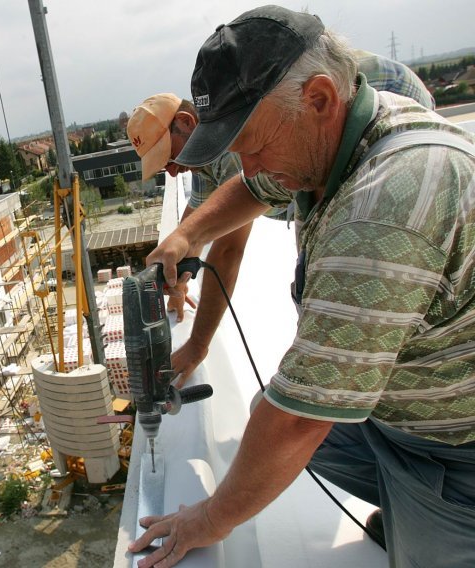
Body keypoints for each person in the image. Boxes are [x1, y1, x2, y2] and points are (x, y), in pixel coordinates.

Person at [129, 6, 475, 568]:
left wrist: (210, 518)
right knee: (266, 434)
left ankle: (427, 515)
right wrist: (187, 234)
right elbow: (253, 187)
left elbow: (298, 422)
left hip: (453, 447)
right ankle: (407, 499)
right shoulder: (337, 131)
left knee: (284, 429)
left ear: (318, 98)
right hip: (393, 411)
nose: (247, 163)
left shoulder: (382, 210)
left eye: (252, 143)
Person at [126, 51, 434, 386]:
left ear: (186, 122)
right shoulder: (201, 149)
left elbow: (228, 250)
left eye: (169, 158)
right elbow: (200, 218)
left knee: (348, 239)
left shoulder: (229, 143)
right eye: (163, 167)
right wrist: (179, 274)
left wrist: (198, 345)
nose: (172, 172)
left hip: (393, 94)